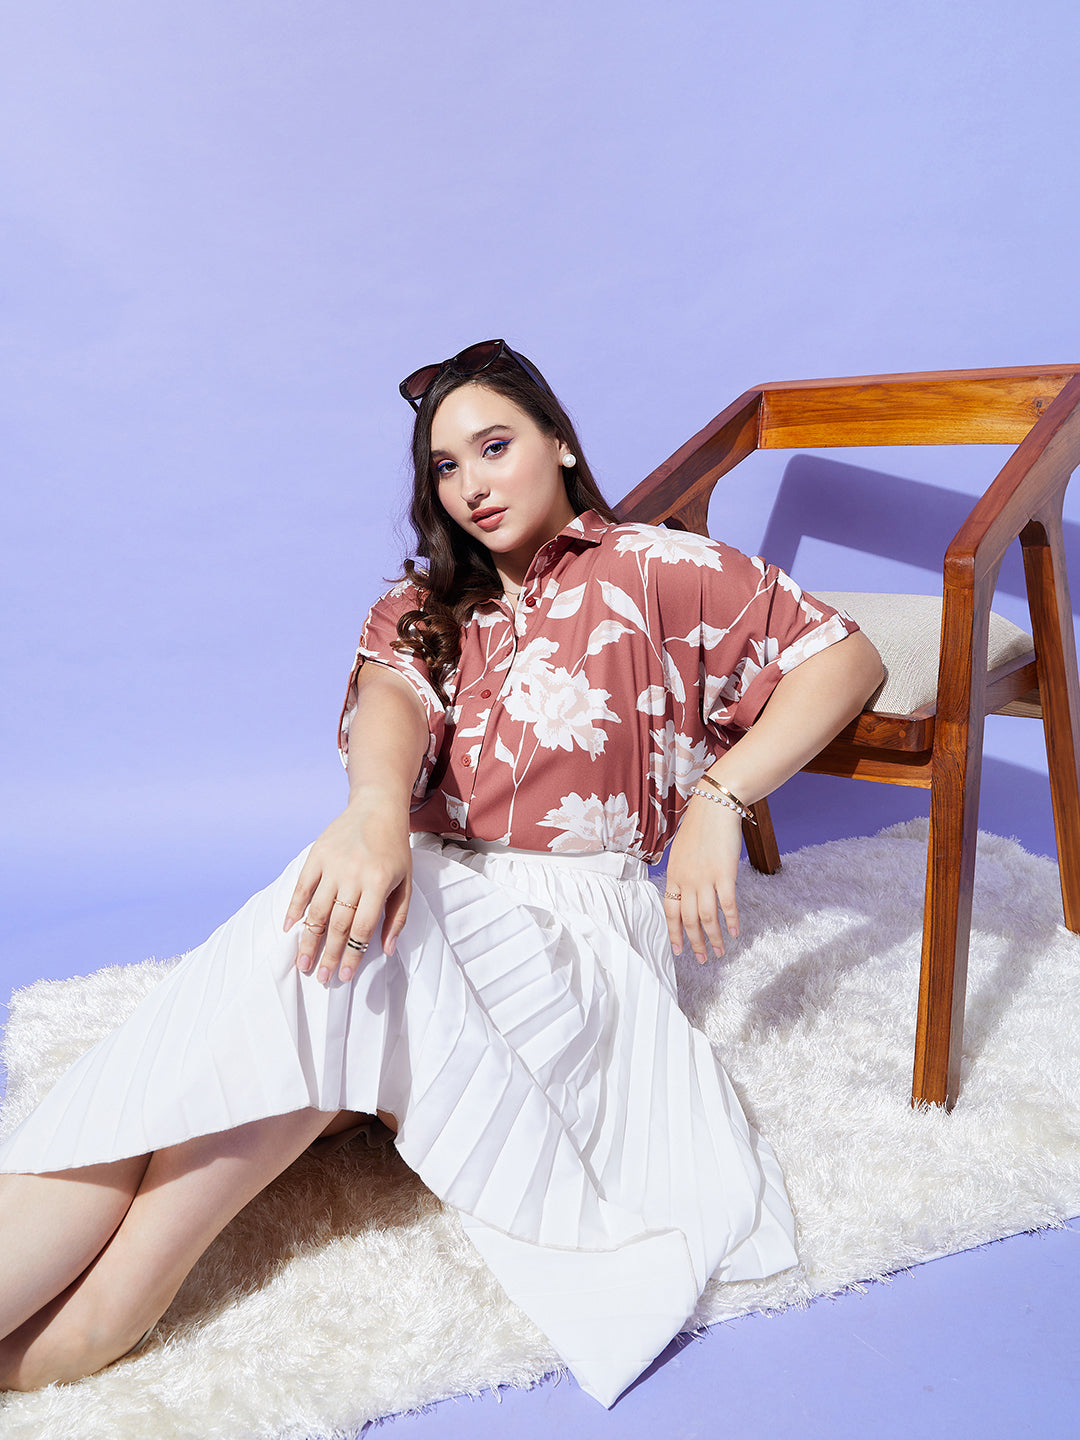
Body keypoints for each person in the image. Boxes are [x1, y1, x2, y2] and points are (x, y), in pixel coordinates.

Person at [0, 340, 884, 1407]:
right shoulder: (425, 606)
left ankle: (114, 1299)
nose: (472, 485)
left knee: (343, 948)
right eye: (447, 467)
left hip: (571, 947)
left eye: (495, 447)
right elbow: (392, 700)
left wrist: (718, 801)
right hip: (423, 899)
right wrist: (374, 811)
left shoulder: (661, 568)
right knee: (322, 936)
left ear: (560, 443)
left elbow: (845, 658)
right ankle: (88, 1293)